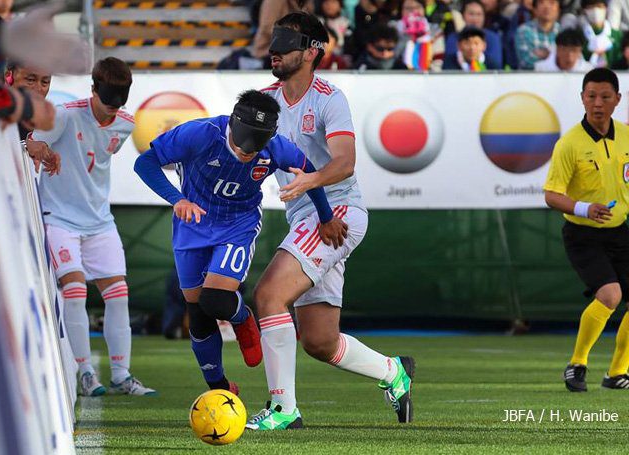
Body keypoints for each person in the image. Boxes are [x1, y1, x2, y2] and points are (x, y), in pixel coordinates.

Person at [247, 12, 415, 431]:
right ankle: (393, 372)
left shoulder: (328, 98)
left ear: (311, 52)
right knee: (320, 342)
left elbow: (344, 162)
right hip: (307, 219)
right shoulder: (265, 100)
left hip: (339, 214)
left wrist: (311, 185)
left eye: (285, 46)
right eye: (274, 44)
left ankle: (283, 409)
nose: (275, 53)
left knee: (268, 295)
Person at [134, 90, 346, 395]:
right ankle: (219, 386)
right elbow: (145, 163)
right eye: (241, 142)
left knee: (215, 301)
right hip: (192, 224)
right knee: (197, 311)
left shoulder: (277, 148)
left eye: (254, 146)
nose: (246, 151)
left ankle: (243, 318)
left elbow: (309, 171)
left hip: (238, 224)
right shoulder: (199, 134)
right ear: (232, 123)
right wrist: (177, 199)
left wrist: (326, 217)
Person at [32, 57, 156, 397]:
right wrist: (41, 149)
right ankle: (85, 373)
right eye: (105, 104)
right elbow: (31, 143)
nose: (109, 112)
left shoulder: (125, 124)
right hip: (59, 218)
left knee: (118, 296)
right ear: (92, 91)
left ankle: (121, 375)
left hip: (100, 221)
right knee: (74, 291)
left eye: (117, 105)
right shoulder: (66, 115)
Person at [543, 68, 629, 392]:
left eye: (605, 96)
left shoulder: (626, 135)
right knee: (611, 294)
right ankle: (577, 364)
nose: (597, 103)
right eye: (591, 96)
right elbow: (551, 194)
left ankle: (617, 372)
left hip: (620, 231)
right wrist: (585, 208)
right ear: (582, 98)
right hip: (583, 235)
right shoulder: (569, 144)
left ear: (617, 100)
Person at [5, 61, 61, 175]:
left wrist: (37, 152)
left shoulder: (29, 116)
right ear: (9, 77)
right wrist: (26, 146)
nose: (38, 89)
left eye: (45, 82)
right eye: (30, 80)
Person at [444, 0, 504, 68]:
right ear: (463, 15)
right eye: (471, 14)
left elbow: (495, 66)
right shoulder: (453, 37)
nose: (475, 19)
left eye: (479, 14)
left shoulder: (493, 38)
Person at [515, 0, 561, 69]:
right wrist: (553, 55)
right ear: (534, 9)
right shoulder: (524, 31)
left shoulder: (563, 31)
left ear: (558, 10)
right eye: (542, 2)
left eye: (552, 3)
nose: (547, 7)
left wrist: (543, 54)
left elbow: (574, 61)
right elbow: (525, 62)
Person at [579, 0, 623, 67]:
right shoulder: (580, 35)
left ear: (606, 8)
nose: (595, 10)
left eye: (599, 6)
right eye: (590, 7)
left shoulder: (616, 35)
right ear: (585, 11)